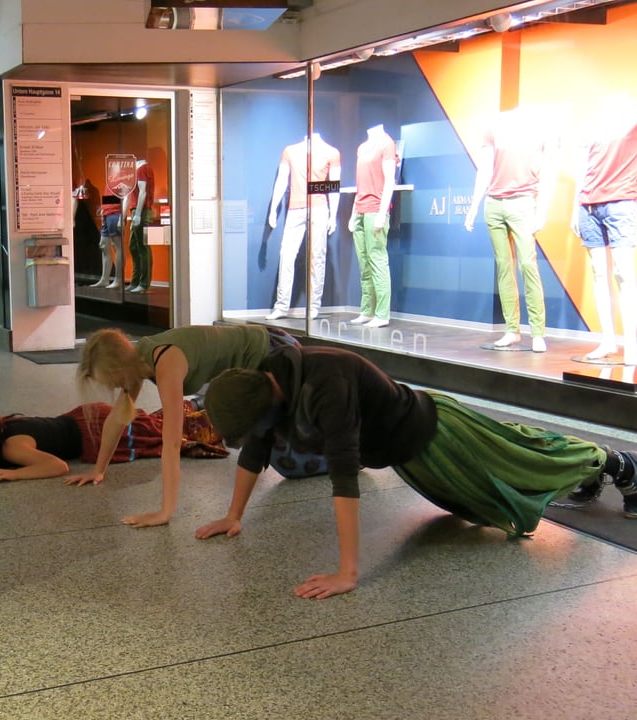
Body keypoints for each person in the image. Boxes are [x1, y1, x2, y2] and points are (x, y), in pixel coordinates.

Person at [196, 343, 637, 599]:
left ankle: (620, 464)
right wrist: (233, 515)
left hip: (437, 435)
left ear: (266, 402)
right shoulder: (266, 384)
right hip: (411, 458)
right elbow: (254, 448)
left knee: (526, 459)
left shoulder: (324, 382)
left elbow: (345, 476)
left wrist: (347, 573)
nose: (258, 435)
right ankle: (589, 471)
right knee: (498, 500)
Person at [70, 324, 300, 527]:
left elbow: (171, 443)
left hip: (273, 351)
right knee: (283, 453)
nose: (115, 388)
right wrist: (98, 470)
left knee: (291, 448)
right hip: (262, 357)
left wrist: (165, 512)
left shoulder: (165, 361)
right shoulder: (137, 360)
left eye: (113, 382)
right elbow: (116, 419)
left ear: (120, 368)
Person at [0, 401, 227, 480]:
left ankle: (212, 416)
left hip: (91, 434)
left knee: (163, 432)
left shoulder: (11, 446)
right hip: (85, 416)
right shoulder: (0, 427)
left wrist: (13, 473)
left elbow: (58, 467)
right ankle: (198, 409)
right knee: (154, 423)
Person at [464, 105, 557, 353]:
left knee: (528, 265)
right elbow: (484, 168)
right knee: (504, 268)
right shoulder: (493, 126)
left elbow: (549, 171)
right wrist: (474, 205)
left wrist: (543, 210)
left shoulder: (541, 126)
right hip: (494, 203)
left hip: (523, 201)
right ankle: (512, 330)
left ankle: (538, 332)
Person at [571, 95, 637, 365]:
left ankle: (632, 346)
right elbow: (583, 167)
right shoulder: (593, 127)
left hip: (621, 203)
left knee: (624, 274)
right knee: (600, 274)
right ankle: (608, 341)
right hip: (589, 206)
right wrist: (574, 207)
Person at [265, 133, 341, 320]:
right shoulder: (290, 151)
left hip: (319, 207)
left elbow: (332, 187)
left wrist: (333, 215)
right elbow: (282, 180)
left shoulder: (331, 152)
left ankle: (314, 305)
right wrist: (273, 208)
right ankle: (282, 305)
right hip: (295, 208)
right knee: (287, 255)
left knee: (317, 257)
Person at [347, 124, 397, 328]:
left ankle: (382, 313)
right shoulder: (362, 147)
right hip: (360, 208)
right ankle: (367, 310)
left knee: (377, 260)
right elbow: (361, 184)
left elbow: (389, 181)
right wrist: (353, 213)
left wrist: (382, 212)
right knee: (364, 264)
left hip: (376, 209)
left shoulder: (387, 144)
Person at [123, 158, 154, 293]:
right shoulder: (140, 170)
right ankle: (136, 281)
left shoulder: (142, 169)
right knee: (134, 247)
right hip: (138, 210)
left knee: (143, 247)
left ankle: (143, 283)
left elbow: (143, 192)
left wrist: (138, 214)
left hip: (141, 210)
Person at [90, 193, 124, 288]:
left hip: (115, 213)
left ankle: (119, 279)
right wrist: (104, 208)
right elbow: (109, 196)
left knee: (117, 246)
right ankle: (104, 279)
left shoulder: (122, 179)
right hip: (107, 213)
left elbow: (125, 196)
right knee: (103, 245)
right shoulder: (110, 180)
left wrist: (122, 217)